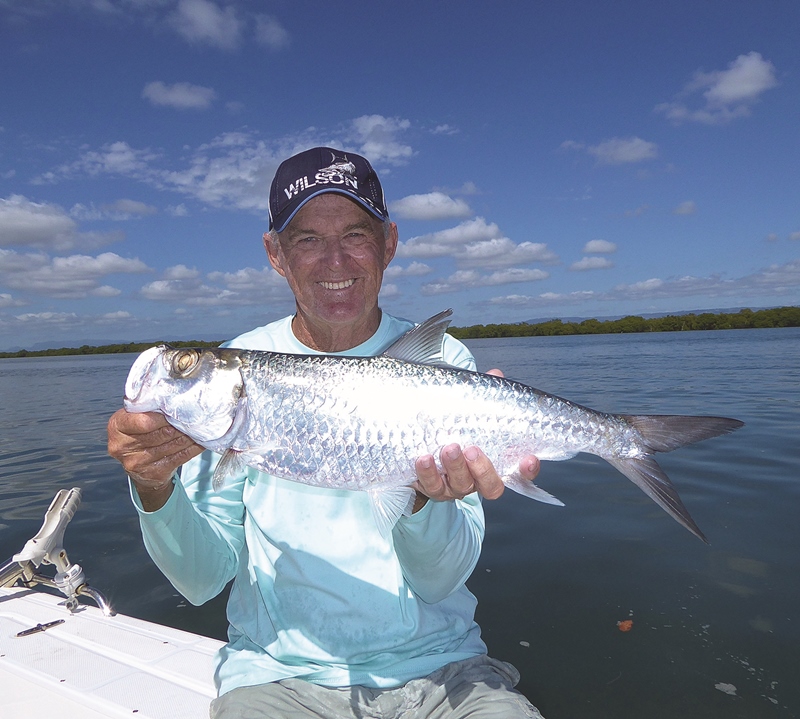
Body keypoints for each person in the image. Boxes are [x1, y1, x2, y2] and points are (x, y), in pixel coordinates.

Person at [108, 147, 545, 719]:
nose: (334, 260)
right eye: (308, 239)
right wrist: (154, 486)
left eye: (355, 235)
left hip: (443, 669)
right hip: (278, 676)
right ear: (275, 254)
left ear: (388, 243)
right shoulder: (244, 369)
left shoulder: (443, 362)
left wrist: (421, 502)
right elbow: (200, 580)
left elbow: (441, 581)